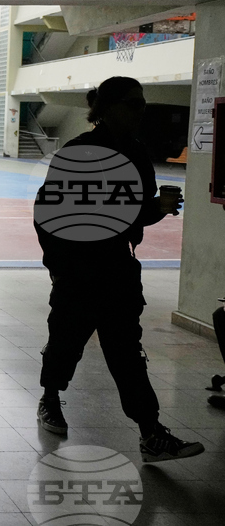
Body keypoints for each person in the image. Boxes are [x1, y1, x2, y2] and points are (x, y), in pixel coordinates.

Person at [35, 76, 204, 462]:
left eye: (142, 103)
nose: (141, 110)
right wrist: (58, 268)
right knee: (65, 342)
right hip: (78, 270)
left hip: (117, 269)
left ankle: (150, 432)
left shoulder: (139, 155)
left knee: (127, 352)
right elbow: (48, 215)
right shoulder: (77, 154)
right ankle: (49, 397)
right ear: (107, 108)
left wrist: (156, 210)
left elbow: (132, 216)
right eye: (133, 103)